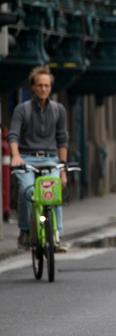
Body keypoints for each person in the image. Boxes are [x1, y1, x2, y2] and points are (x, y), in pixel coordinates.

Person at [9, 66, 69, 252]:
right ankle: (25, 231)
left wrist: (62, 168)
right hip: (26, 159)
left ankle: (56, 236)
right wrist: (16, 155)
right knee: (27, 190)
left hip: (50, 159)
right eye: (40, 85)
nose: (44, 89)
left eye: (47, 85)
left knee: (54, 195)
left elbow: (62, 140)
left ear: (51, 88)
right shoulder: (23, 109)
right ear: (33, 87)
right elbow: (13, 135)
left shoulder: (58, 110)